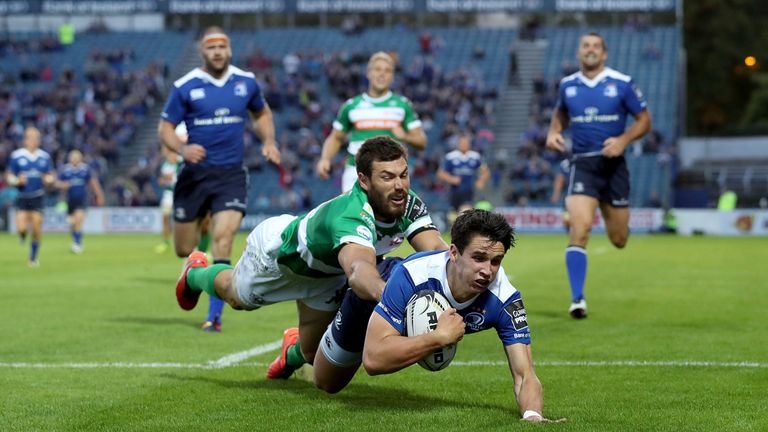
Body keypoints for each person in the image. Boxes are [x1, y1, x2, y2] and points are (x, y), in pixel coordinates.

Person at [174, 136, 447, 379]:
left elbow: (435, 251)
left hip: (326, 277)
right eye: (387, 177)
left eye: (403, 175)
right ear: (363, 180)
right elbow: (358, 269)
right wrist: (395, 301)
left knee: (312, 353)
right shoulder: (351, 213)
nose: (400, 185)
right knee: (236, 297)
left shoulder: (407, 202)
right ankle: (195, 273)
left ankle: (288, 352)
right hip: (281, 259)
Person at [362, 210, 555, 422]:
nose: (488, 271)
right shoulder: (411, 275)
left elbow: (525, 374)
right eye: (479, 258)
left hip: (394, 323)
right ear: (454, 252)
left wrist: (533, 415)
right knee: (327, 379)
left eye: (496, 261)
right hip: (367, 300)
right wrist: (437, 338)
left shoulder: (505, 299)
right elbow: (373, 360)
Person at [158, 26, 280, 332]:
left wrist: (268, 141)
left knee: (223, 240)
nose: (217, 51)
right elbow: (165, 130)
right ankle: (193, 269)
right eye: (211, 47)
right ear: (202, 51)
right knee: (184, 249)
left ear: (229, 50)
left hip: (231, 175)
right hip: (194, 176)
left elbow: (262, 114)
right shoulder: (185, 86)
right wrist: (183, 149)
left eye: (222, 46)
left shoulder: (246, 82)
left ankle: (214, 317)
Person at [545, 32, 651, 319]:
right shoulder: (568, 85)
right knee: (579, 230)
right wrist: (554, 132)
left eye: (595, 46)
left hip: (614, 166)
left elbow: (645, 120)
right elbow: (561, 115)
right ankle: (577, 299)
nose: (590, 50)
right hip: (583, 165)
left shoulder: (622, 83)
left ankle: (608, 209)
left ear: (604, 54)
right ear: (579, 52)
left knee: (619, 239)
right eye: (585, 46)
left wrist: (623, 141)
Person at [316, 51, 427, 192]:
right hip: (355, 172)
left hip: (390, 174)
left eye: (387, 71)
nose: (382, 74)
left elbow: (421, 142)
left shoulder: (402, 105)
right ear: (368, 73)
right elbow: (335, 137)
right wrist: (325, 159)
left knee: (387, 214)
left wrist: (405, 137)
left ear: (392, 76)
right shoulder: (351, 106)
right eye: (377, 69)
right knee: (353, 214)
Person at [5, 127, 55, 267]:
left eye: (37, 138)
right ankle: (22, 235)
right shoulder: (17, 156)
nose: (34, 140)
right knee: (21, 228)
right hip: (22, 196)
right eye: (31, 137)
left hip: (38, 196)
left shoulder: (44, 157)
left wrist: (49, 180)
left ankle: (33, 257)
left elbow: (50, 175)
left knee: (37, 226)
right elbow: (9, 176)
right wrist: (16, 181)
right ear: (25, 140)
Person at [56, 149, 105, 253]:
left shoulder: (85, 169)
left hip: (82, 199)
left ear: (80, 158)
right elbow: (57, 183)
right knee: (72, 223)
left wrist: (99, 195)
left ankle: (77, 243)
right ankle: (75, 239)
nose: (74, 159)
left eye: (76, 157)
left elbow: (93, 182)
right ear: (69, 159)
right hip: (69, 200)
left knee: (78, 220)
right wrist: (63, 185)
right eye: (72, 157)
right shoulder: (65, 170)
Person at [436, 133, 489, 212]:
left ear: (469, 144)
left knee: (465, 212)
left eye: (466, 143)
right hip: (454, 192)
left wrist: (481, 180)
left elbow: (485, 171)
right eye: (462, 143)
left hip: (469, 191)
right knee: (453, 216)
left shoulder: (475, 157)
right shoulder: (451, 157)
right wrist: (451, 179)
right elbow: (440, 173)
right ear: (458, 143)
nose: (464, 145)